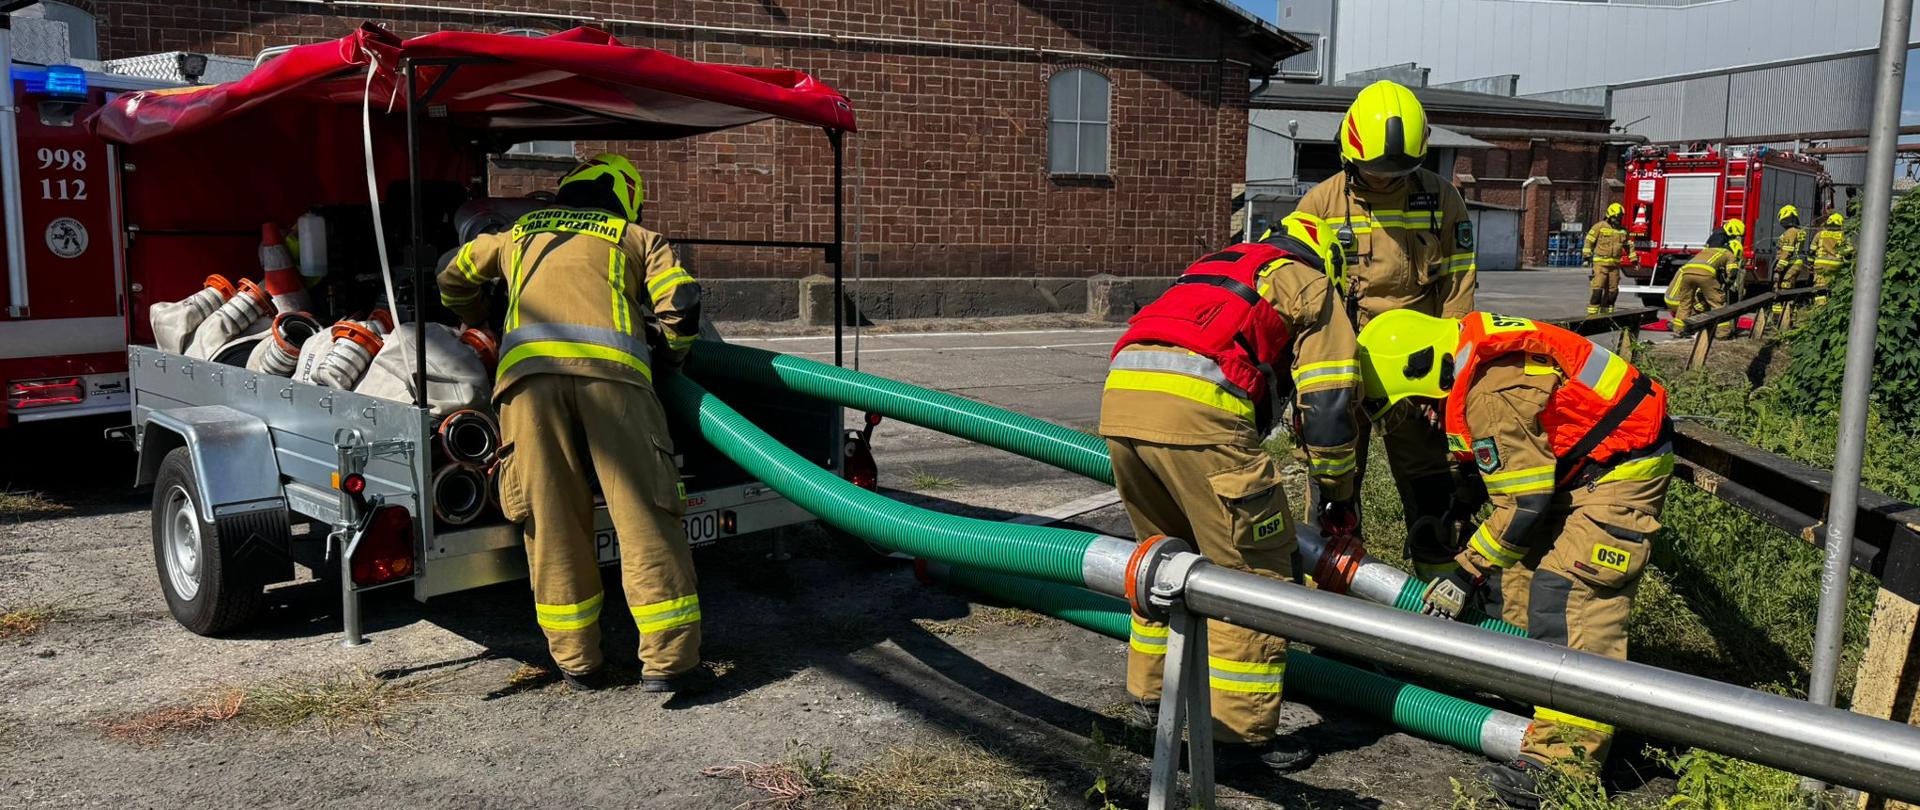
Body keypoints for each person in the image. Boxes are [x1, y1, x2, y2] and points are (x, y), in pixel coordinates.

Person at [1354, 309, 1673, 808]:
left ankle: (1565, 765)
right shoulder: (1472, 369)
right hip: (1573, 469)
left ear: (1426, 367)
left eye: (1416, 405)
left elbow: (1525, 503)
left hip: (1617, 472)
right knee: (1520, 593)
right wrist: (1462, 506)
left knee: (1568, 595)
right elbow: (1514, 467)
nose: (1424, 416)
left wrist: (1465, 571)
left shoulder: (1489, 391)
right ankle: (1546, 710)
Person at [1100, 211, 1359, 773]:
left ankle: (1152, 701)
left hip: (1120, 403)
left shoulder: (1215, 266)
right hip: (1203, 421)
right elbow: (1331, 402)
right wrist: (1338, 493)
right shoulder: (1310, 283)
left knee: (1163, 560)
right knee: (1254, 574)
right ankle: (1235, 738)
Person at [437, 153, 707, 693]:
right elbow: (679, 302)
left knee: (552, 522)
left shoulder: (517, 235)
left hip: (529, 390)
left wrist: (475, 318)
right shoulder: (637, 237)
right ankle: (670, 664)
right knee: (645, 516)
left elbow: (452, 272)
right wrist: (672, 358)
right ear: (626, 195)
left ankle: (579, 663)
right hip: (618, 386)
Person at [1294, 79, 1476, 581]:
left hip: (1416, 380)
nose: (1386, 179)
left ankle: (1441, 597)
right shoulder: (1319, 206)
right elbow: (1301, 297)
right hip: (1343, 371)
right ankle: (1332, 605)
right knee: (1334, 491)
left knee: (1432, 488)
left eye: (1400, 170)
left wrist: (1449, 381)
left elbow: (1458, 291)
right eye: (1375, 170)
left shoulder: (1442, 200)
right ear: (1350, 153)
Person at [1665, 227, 1738, 336]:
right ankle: (1723, 333)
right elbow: (1732, 271)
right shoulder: (1729, 254)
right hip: (1705, 274)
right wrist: (1728, 284)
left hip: (1686, 274)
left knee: (1685, 303)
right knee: (1718, 303)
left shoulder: (1707, 250)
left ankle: (1678, 330)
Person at [1581, 203, 1637, 315]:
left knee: (1613, 292)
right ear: (1609, 216)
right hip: (1600, 264)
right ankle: (1592, 315)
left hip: (1615, 266)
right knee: (1597, 290)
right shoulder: (1599, 227)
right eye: (1616, 218)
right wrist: (1586, 257)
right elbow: (1589, 241)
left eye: (1620, 218)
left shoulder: (1623, 231)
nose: (1618, 220)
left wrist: (1634, 260)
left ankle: (1607, 315)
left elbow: (1629, 246)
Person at [1770, 205, 1809, 317]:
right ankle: (1785, 316)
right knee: (1787, 290)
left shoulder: (1791, 232)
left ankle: (1783, 318)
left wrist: (1778, 268)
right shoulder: (1798, 231)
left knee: (1783, 290)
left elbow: (1787, 252)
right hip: (1794, 263)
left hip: (1789, 265)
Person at [1812, 211, 1851, 305]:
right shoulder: (1843, 235)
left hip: (1821, 265)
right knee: (1834, 286)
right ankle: (1833, 305)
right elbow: (1850, 250)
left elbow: (1812, 250)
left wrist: (1811, 263)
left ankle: (1820, 308)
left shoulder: (1820, 234)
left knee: (1820, 288)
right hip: (1836, 264)